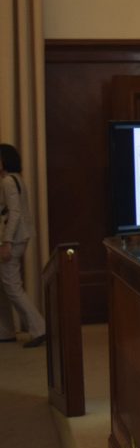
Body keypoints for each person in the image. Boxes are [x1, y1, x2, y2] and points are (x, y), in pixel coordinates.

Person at [0, 144, 46, 348]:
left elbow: (14, 213)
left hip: (13, 239)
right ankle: (6, 330)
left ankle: (39, 328)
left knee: (12, 286)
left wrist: (6, 242)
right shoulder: (17, 179)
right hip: (20, 236)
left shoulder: (8, 181)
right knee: (5, 286)